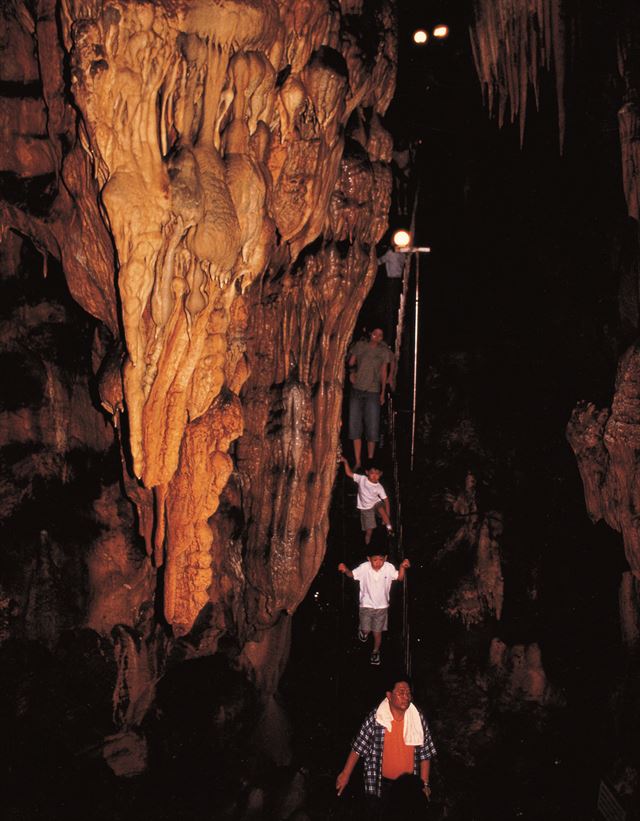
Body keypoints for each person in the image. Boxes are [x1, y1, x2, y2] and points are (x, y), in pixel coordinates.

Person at [335, 677, 436, 810]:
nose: (406, 696)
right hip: (381, 784)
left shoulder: (418, 718)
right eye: (401, 692)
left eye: (408, 693)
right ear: (389, 695)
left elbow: (425, 754)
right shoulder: (377, 717)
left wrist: (425, 785)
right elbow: (358, 747)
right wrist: (345, 774)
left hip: (409, 786)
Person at [337, 552, 409, 665]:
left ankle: (375, 652)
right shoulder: (364, 567)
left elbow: (400, 578)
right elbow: (352, 574)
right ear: (369, 559)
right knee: (367, 629)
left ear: (385, 558)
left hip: (382, 607)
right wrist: (345, 569)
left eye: (381, 559)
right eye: (375, 560)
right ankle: (363, 632)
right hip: (366, 605)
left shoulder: (388, 567)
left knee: (377, 632)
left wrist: (402, 567)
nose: (378, 563)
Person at [347, 328, 394, 469]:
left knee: (372, 426)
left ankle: (370, 459)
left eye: (380, 335)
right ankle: (358, 461)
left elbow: (383, 371)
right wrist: (352, 372)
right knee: (355, 425)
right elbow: (351, 363)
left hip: (373, 391)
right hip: (357, 390)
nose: (377, 337)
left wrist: (382, 392)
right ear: (370, 334)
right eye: (375, 333)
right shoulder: (360, 346)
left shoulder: (384, 351)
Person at [340, 457, 393, 545]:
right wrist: (345, 462)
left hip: (376, 503)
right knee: (369, 531)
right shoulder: (362, 479)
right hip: (366, 508)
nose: (374, 476)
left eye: (377, 473)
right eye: (372, 473)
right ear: (367, 472)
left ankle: (389, 529)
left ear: (380, 474)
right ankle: (367, 544)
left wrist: (387, 515)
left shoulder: (379, 487)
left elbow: (386, 500)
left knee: (381, 509)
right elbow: (349, 473)